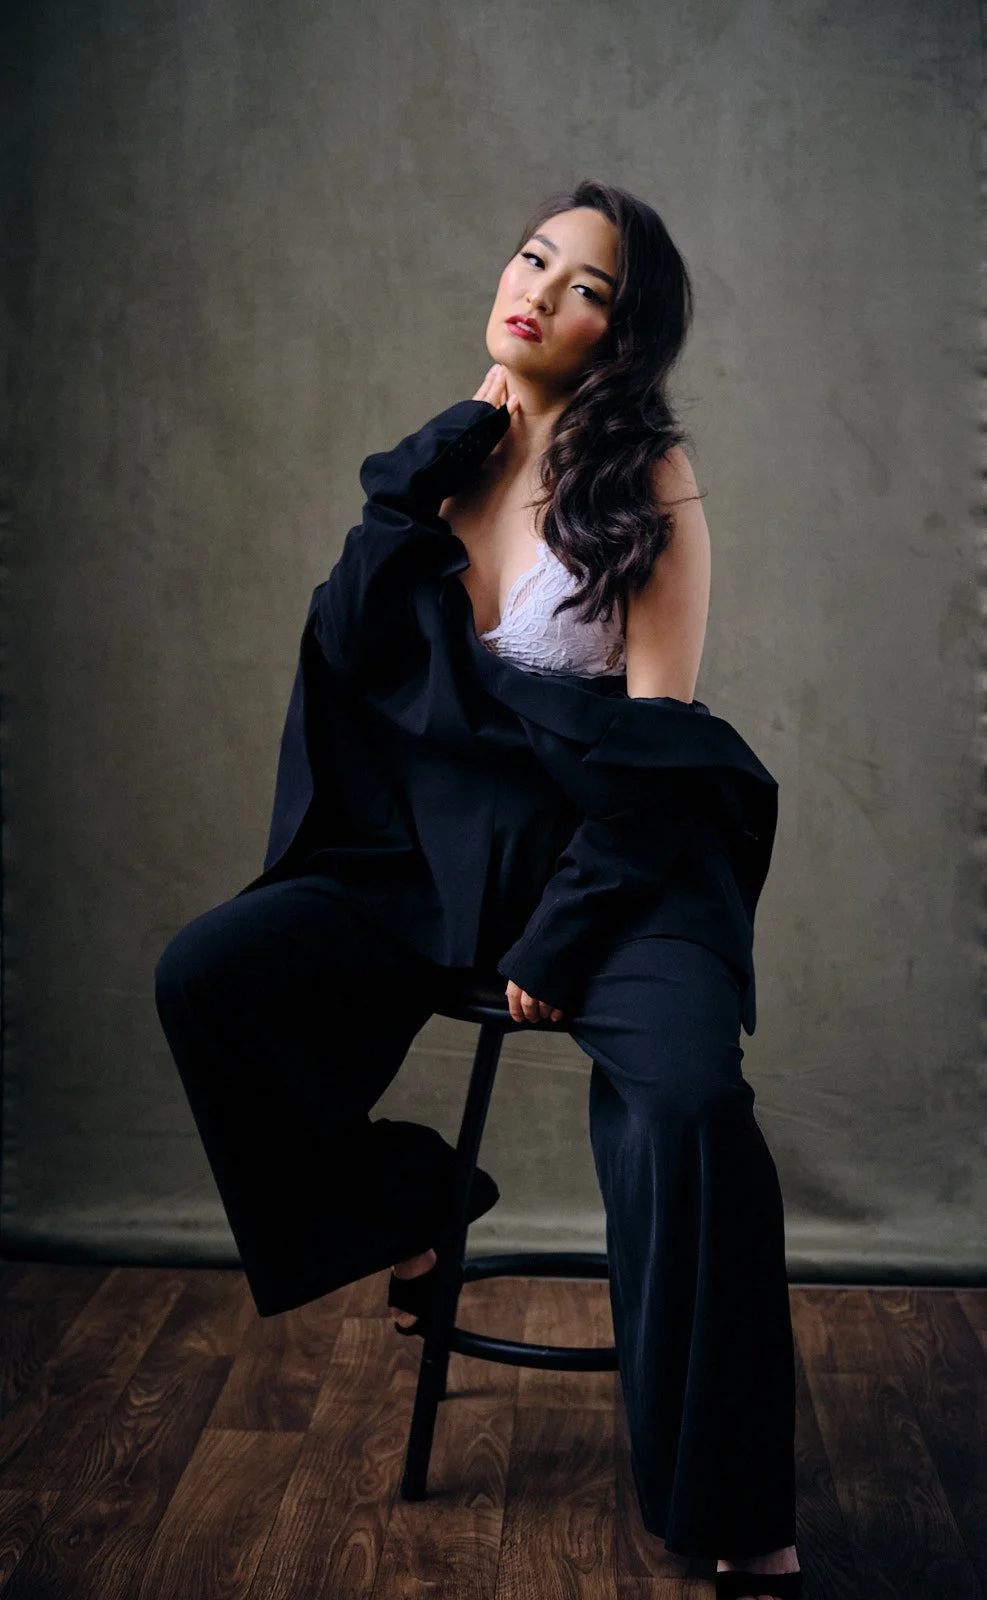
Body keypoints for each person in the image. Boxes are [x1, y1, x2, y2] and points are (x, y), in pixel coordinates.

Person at [154, 180, 801, 1599]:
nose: (539, 290)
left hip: (617, 863)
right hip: (432, 857)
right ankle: (405, 1209)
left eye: (584, 287)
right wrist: (424, 466)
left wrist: (567, 935)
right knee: (210, 975)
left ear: (619, 339)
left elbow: (657, 748)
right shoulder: (450, 457)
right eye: (532, 257)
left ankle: (736, 1507)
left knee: (692, 1107)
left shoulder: (652, 486)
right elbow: (343, 640)